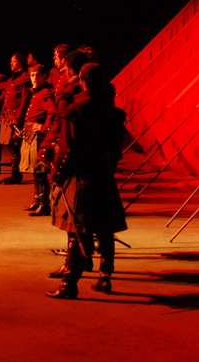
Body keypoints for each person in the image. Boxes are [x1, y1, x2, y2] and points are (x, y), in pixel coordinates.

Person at [45, 63, 127, 299]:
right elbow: (116, 151)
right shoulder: (113, 113)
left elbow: (67, 149)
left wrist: (57, 175)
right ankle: (105, 278)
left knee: (76, 231)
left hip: (80, 176)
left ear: (81, 82)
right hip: (102, 174)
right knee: (105, 227)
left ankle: (69, 284)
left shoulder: (76, 110)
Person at [19, 63, 56, 216]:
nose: (34, 78)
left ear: (44, 76)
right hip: (30, 134)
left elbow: (53, 111)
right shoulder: (36, 92)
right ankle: (37, 200)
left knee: (40, 171)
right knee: (35, 170)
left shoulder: (45, 93)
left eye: (37, 75)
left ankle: (44, 203)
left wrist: (43, 127)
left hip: (37, 136)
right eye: (32, 75)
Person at [0, 52, 29, 184]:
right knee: (11, 146)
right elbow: (6, 99)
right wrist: (1, 114)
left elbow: (25, 99)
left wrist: (19, 117)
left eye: (13, 61)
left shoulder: (24, 79)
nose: (11, 63)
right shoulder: (11, 80)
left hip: (16, 117)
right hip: (8, 117)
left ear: (20, 63)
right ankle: (15, 173)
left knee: (15, 147)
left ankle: (16, 174)